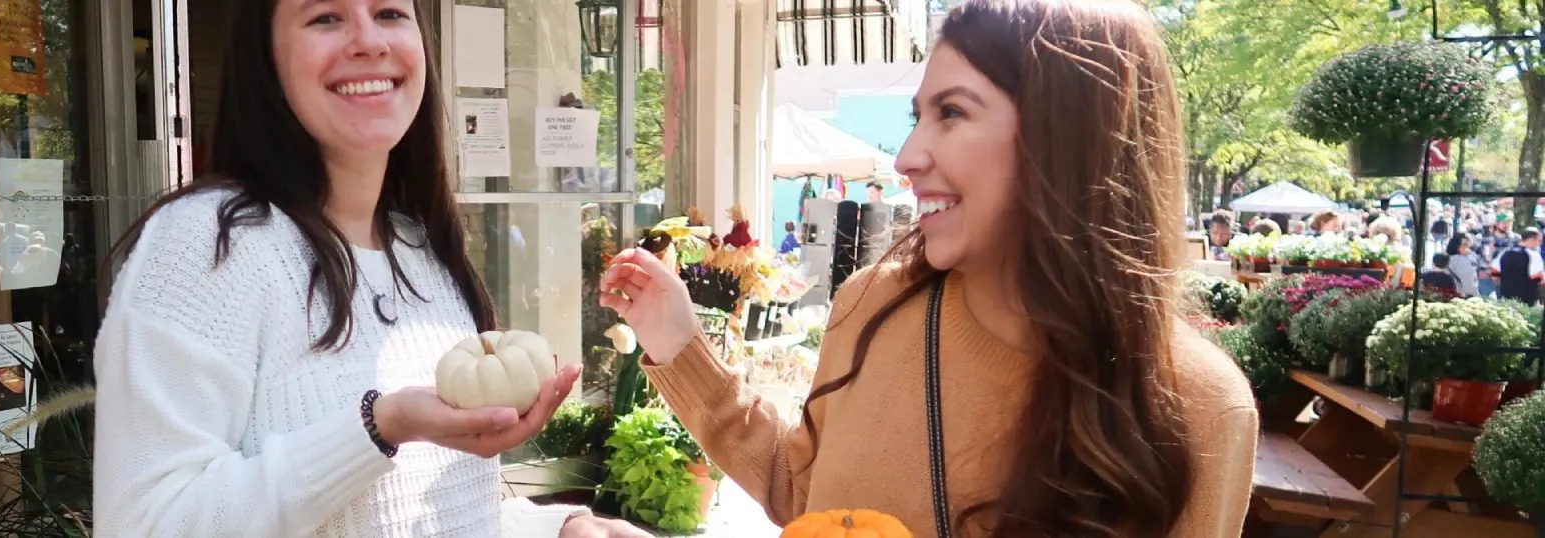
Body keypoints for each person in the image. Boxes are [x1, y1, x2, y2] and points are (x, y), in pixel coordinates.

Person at [598, 1, 1256, 536]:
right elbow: (806, 498)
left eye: (953, 113)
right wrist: (680, 347)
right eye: (918, 117)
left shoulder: (1201, 410)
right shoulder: (871, 307)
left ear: (1068, 139)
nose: (908, 155)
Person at [90, 1, 643, 536]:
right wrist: (379, 427)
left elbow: (430, 512)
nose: (370, 42)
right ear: (267, 57)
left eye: (389, 14)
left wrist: (560, 526)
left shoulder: (421, 249)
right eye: (325, 17)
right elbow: (144, 524)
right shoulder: (208, 242)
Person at [1496, 228, 1544, 305]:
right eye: (1539, 240)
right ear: (1531, 240)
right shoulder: (1534, 255)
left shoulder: (1505, 252)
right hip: (1527, 302)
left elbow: (1494, 273)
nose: (1540, 244)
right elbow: (1539, 279)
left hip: (1506, 300)